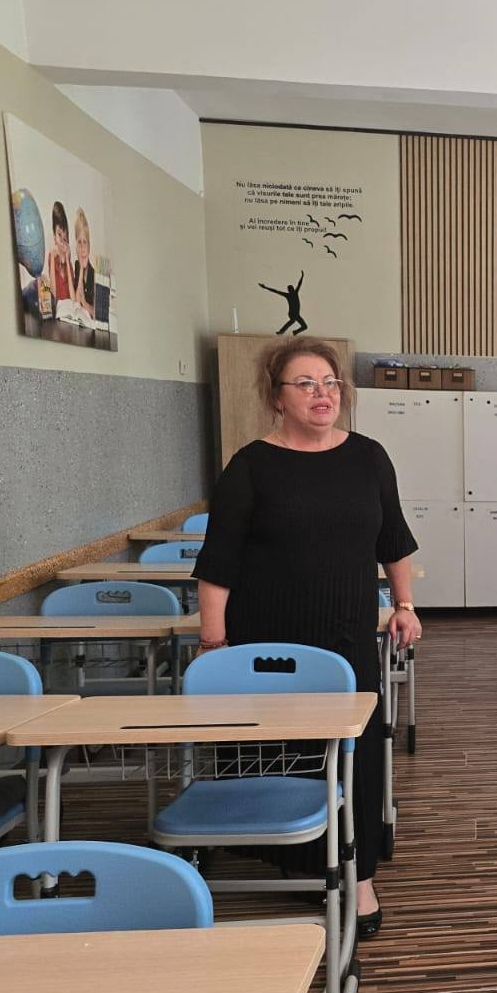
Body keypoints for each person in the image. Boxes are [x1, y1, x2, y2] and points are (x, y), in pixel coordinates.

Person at [192, 336, 419, 937]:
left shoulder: (368, 457)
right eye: (306, 384)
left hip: (345, 636)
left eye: (330, 382)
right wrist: (213, 646)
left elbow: (394, 540)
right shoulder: (250, 466)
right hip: (265, 639)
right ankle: (285, 855)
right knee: (277, 749)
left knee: (354, 752)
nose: (323, 394)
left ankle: (357, 872)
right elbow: (218, 564)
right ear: (277, 398)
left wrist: (404, 604)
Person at [45, 201, 72, 304]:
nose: (62, 241)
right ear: (54, 236)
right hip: (58, 307)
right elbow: (53, 294)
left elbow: (72, 295)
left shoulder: (68, 257)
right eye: (59, 235)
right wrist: (52, 258)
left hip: (69, 307)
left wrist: (67, 260)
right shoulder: (52, 257)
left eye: (64, 235)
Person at [71, 207, 96, 318]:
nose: (82, 248)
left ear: (89, 245)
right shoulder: (77, 266)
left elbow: (97, 314)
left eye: (85, 242)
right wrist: (81, 268)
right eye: (79, 242)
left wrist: (85, 304)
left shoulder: (94, 274)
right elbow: (76, 302)